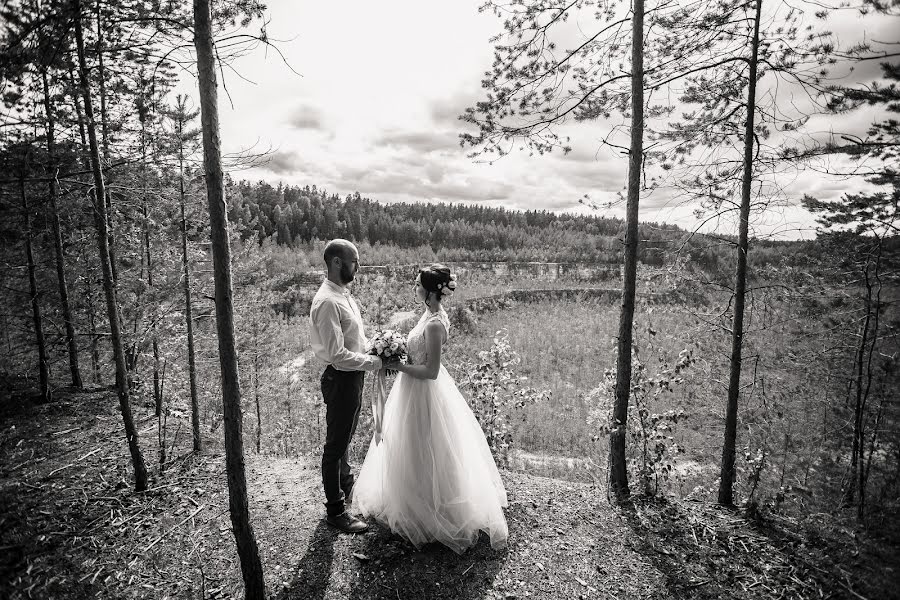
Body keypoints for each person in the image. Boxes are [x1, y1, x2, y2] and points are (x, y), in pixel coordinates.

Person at [352, 264, 509, 554]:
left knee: (427, 445)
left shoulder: (435, 323)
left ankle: (431, 511)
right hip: (410, 389)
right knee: (412, 447)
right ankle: (416, 499)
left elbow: (432, 371)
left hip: (425, 391)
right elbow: (417, 350)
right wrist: (395, 349)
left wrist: (397, 365)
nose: (414, 287)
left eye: (417, 283)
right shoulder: (428, 315)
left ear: (429, 290)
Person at [309, 239, 382, 533]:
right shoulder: (327, 301)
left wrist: (376, 348)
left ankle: (346, 485)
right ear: (337, 262)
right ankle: (336, 511)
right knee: (335, 445)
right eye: (354, 261)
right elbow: (338, 356)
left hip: (354, 377)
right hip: (341, 379)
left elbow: (355, 342)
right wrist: (374, 362)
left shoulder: (345, 296)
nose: (359, 266)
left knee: (346, 438)